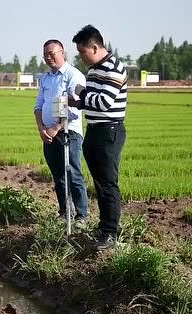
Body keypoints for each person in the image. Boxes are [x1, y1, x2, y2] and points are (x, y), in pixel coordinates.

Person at [69, 25, 127, 250]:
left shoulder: (114, 68)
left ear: (95, 47)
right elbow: (92, 100)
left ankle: (110, 234)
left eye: (82, 52)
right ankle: (104, 228)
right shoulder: (93, 71)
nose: (81, 57)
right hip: (93, 129)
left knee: (108, 183)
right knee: (99, 184)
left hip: (109, 131)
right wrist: (79, 100)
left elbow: (103, 102)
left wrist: (82, 96)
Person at [33, 39, 89, 225]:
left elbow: (75, 108)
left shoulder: (74, 75)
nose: (49, 58)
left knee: (73, 173)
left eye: (52, 54)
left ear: (62, 52)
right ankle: (65, 212)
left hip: (68, 133)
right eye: (45, 55)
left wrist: (56, 127)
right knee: (58, 175)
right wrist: (42, 128)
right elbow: (39, 105)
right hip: (49, 134)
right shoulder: (46, 78)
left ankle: (82, 216)